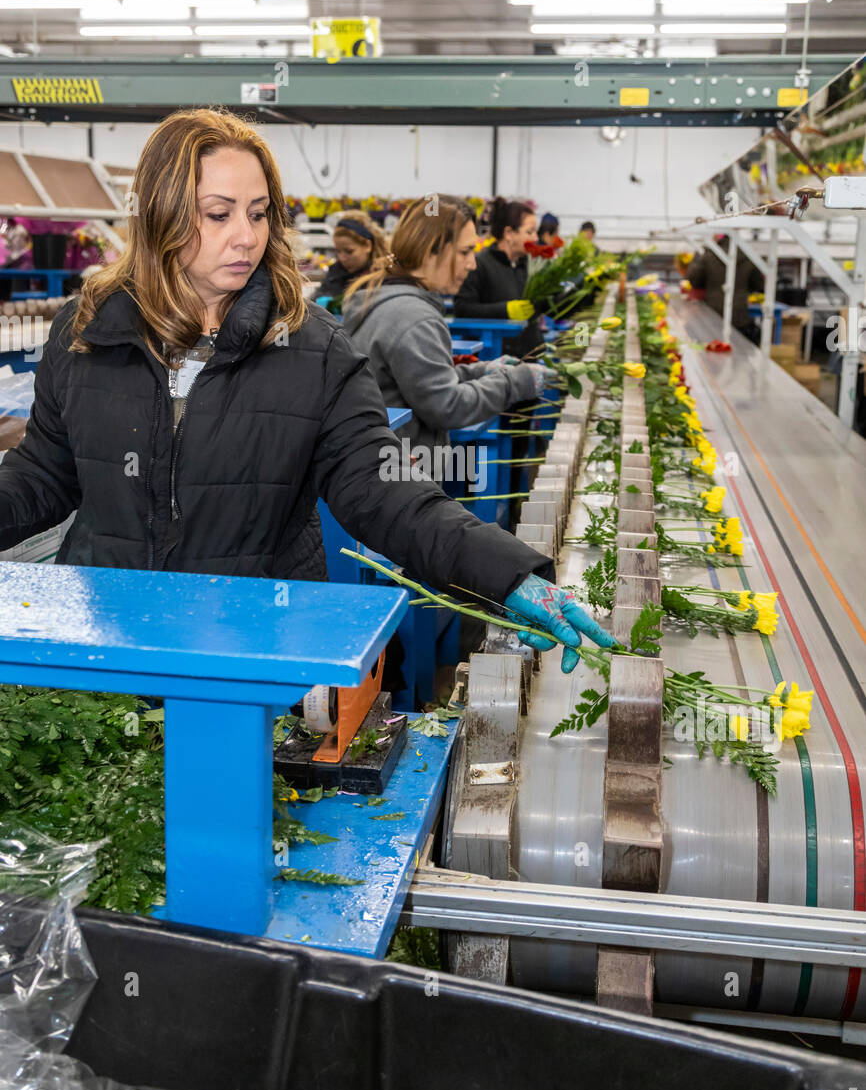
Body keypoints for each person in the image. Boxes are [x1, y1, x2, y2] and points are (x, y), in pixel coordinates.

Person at [0, 108, 614, 671]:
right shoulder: (88, 331)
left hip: (251, 652)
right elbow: (46, 474)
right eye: (219, 214)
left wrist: (507, 575)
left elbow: (383, 488)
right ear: (160, 213)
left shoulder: (310, 346)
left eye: (259, 213)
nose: (247, 235)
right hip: (102, 644)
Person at [342, 196, 549, 468]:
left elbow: (417, 382)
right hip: (399, 481)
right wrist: (516, 382)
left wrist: (481, 371)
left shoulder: (382, 299)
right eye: (465, 252)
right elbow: (448, 406)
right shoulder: (415, 318)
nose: (472, 264)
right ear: (431, 251)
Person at [453, 196, 542, 359]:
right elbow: (462, 308)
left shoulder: (528, 266)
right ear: (509, 233)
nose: (536, 238)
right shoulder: (479, 264)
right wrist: (504, 310)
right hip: (493, 357)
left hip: (529, 356)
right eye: (530, 232)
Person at [687, 238, 761, 334]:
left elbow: (695, 280)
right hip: (739, 312)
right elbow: (758, 284)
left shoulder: (708, 254)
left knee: (714, 342)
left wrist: (697, 257)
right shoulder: (748, 255)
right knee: (739, 343)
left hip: (713, 309)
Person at [318, 209, 387, 300]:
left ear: (367, 246)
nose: (342, 258)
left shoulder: (382, 278)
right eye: (338, 251)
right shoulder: (334, 274)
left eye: (349, 251)